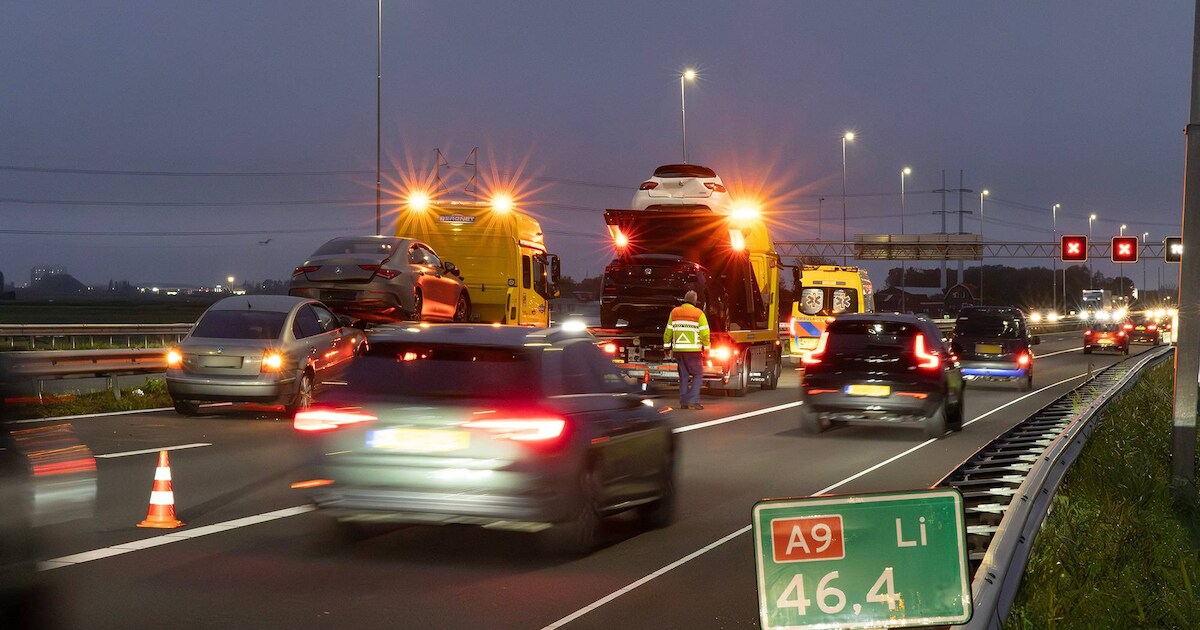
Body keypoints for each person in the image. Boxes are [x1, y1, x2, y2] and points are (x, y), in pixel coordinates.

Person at [664, 290, 710, 410]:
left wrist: (666, 347)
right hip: (693, 351)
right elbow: (705, 333)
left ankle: (683, 402)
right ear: (695, 301)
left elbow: (668, 332)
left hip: (678, 351)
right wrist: (707, 347)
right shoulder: (699, 314)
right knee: (698, 374)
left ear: (685, 300)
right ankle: (693, 401)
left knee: (683, 376)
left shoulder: (675, 312)